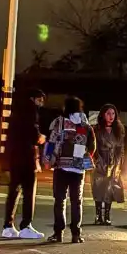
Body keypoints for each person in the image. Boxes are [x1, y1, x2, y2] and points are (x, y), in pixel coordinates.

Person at [42, 96, 96, 243]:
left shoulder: (59, 122)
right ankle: (76, 234)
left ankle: (58, 233)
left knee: (60, 200)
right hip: (78, 169)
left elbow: (51, 141)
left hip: (61, 167)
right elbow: (92, 146)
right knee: (76, 201)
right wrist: (83, 157)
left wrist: (47, 159)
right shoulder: (86, 125)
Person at [3, 88, 47, 239]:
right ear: (33, 99)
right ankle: (26, 226)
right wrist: (41, 138)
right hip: (27, 157)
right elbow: (33, 134)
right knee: (29, 192)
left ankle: (8, 226)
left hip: (14, 157)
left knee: (14, 191)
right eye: (40, 100)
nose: (41, 103)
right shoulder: (31, 112)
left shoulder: (16, 113)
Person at [91, 104, 125, 226]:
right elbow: (92, 147)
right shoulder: (96, 129)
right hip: (99, 162)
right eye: (108, 114)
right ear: (103, 115)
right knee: (99, 188)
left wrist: (118, 163)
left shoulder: (119, 130)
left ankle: (107, 216)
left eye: (113, 114)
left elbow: (121, 148)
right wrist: (96, 160)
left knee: (110, 189)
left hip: (113, 163)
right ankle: (98, 215)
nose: (111, 116)